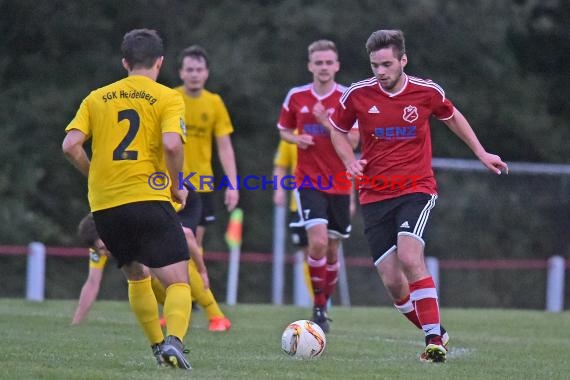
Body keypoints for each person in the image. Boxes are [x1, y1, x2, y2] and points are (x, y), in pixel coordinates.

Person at [329, 29, 509, 363]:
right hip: (373, 195)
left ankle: (432, 342)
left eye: (386, 64)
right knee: (394, 283)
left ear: (403, 61)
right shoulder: (357, 95)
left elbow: (452, 116)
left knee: (411, 257)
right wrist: (348, 161)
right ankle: (437, 330)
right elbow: (337, 130)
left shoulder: (425, 92)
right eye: (374, 65)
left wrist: (481, 153)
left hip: (416, 189)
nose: (380, 72)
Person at [62, 29, 193, 369]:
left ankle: (156, 347)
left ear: (125, 62)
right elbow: (172, 145)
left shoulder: (96, 97)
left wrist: (94, 173)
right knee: (179, 280)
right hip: (148, 197)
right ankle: (175, 342)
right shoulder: (167, 98)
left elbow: (70, 145)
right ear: (160, 62)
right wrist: (177, 184)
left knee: (136, 275)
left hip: (105, 205)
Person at [277, 40, 358, 333]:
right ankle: (318, 306)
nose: (323, 67)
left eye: (328, 62)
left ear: (336, 66)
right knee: (318, 242)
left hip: (340, 182)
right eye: (318, 63)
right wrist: (295, 139)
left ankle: (323, 302)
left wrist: (327, 123)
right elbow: (284, 130)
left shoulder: (347, 97)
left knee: (333, 250)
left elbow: (354, 142)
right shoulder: (296, 96)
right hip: (308, 180)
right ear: (310, 65)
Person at [70, 213, 231, 333]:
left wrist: (202, 270)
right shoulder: (99, 248)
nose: (104, 253)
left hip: (184, 201)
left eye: (103, 248)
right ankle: (174, 314)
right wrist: (76, 322)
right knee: (143, 274)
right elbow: (92, 282)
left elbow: (187, 235)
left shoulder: (137, 224)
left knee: (174, 265)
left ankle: (217, 316)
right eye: (98, 250)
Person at [174, 45, 239, 253]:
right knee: (171, 243)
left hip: (202, 183)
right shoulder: (171, 99)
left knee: (194, 245)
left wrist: (233, 184)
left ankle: (194, 284)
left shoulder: (214, 103)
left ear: (207, 73)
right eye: (189, 70)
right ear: (181, 72)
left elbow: (225, 147)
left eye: (199, 70)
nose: (194, 75)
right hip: (171, 183)